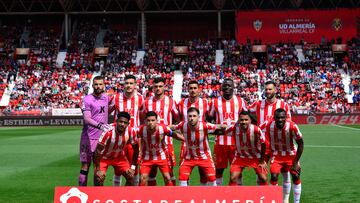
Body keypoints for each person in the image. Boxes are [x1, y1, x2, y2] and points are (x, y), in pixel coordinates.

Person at [248, 81, 292, 189]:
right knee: (261, 173)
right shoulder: (258, 103)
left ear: (275, 90)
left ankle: (284, 199)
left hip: (278, 143)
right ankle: (264, 197)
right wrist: (255, 124)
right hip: (262, 143)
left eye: (270, 89)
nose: (268, 91)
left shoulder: (283, 105)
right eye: (266, 89)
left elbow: (289, 121)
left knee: (285, 173)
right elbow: (246, 110)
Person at [170, 107, 227, 186]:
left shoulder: (204, 125)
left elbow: (219, 126)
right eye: (190, 116)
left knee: (212, 179)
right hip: (189, 157)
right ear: (187, 117)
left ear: (198, 117)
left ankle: (211, 197)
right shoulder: (183, 124)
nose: (192, 118)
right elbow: (172, 127)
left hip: (204, 157)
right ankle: (184, 197)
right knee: (182, 178)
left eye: (194, 116)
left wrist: (225, 126)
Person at [140, 77, 180, 185]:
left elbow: (178, 119)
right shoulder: (147, 102)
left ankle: (172, 197)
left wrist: (172, 127)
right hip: (150, 143)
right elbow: (142, 118)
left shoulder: (170, 101)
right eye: (156, 86)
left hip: (167, 143)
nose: (158, 88)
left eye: (160, 86)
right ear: (152, 88)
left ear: (164, 87)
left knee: (169, 173)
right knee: (151, 173)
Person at [209, 78, 247, 185]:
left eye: (229, 85)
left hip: (237, 143)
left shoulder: (240, 101)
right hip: (220, 143)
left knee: (237, 172)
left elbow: (247, 118)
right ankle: (219, 196)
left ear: (233, 87)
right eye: (224, 85)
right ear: (221, 87)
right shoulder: (215, 102)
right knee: (218, 171)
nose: (226, 87)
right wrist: (213, 130)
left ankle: (237, 195)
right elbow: (209, 118)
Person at [78, 76, 112, 186]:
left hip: (101, 139)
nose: (98, 86)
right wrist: (101, 126)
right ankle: (82, 193)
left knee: (98, 167)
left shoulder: (106, 98)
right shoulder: (87, 99)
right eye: (96, 84)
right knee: (85, 166)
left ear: (104, 86)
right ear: (92, 85)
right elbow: (87, 119)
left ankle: (96, 195)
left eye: (100, 84)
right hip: (87, 138)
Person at [264, 108, 304, 203]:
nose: (280, 120)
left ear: (286, 117)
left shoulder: (292, 126)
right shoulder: (269, 125)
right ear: (274, 118)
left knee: (295, 175)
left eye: (282, 117)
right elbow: (257, 129)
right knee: (274, 176)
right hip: (277, 155)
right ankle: (277, 200)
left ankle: (296, 202)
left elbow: (301, 144)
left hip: (291, 155)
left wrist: (295, 162)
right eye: (278, 118)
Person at [111, 74, 144, 185]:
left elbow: (143, 115)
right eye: (127, 83)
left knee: (135, 166)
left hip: (133, 139)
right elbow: (107, 111)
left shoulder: (140, 98)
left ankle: (134, 194)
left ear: (135, 85)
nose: (129, 85)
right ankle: (117, 195)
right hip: (118, 139)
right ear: (123, 85)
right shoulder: (116, 98)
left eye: (131, 83)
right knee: (118, 167)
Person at [138, 111, 184, 186]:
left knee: (167, 177)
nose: (150, 122)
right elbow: (132, 138)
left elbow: (174, 135)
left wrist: (185, 140)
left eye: (153, 120)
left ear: (157, 121)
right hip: (147, 157)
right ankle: (144, 196)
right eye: (148, 120)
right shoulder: (140, 130)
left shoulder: (163, 128)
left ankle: (170, 196)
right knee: (143, 178)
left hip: (161, 155)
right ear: (145, 121)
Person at [177, 80, 210, 185]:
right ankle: (187, 194)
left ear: (199, 90)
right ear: (187, 89)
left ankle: (202, 195)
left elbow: (209, 118)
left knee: (203, 171)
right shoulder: (182, 103)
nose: (192, 90)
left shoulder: (205, 103)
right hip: (186, 141)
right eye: (190, 88)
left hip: (202, 141)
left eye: (195, 88)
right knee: (185, 171)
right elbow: (178, 119)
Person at [93, 112, 139, 186]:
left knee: (131, 177)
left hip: (119, 158)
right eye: (120, 121)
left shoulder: (131, 131)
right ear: (116, 121)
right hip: (104, 158)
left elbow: (136, 150)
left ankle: (123, 196)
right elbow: (98, 150)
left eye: (125, 123)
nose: (122, 124)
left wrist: (133, 167)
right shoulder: (108, 131)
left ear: (128, 124)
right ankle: (99, 196)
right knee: (99, 178)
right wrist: (98, 170)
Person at [225, 111, 267, 186]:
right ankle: (230, 196)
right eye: (241, 120)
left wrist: (262, 160)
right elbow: (224, 131)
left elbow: (263, 144)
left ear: (250, 121)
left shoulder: (256, 130)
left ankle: (266, 196)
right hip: (240, 157)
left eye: (246, 120)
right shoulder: (234, 128)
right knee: (233, 178)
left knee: (263, 178)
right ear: (238, 120)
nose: (243, 122)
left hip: (256, 157)